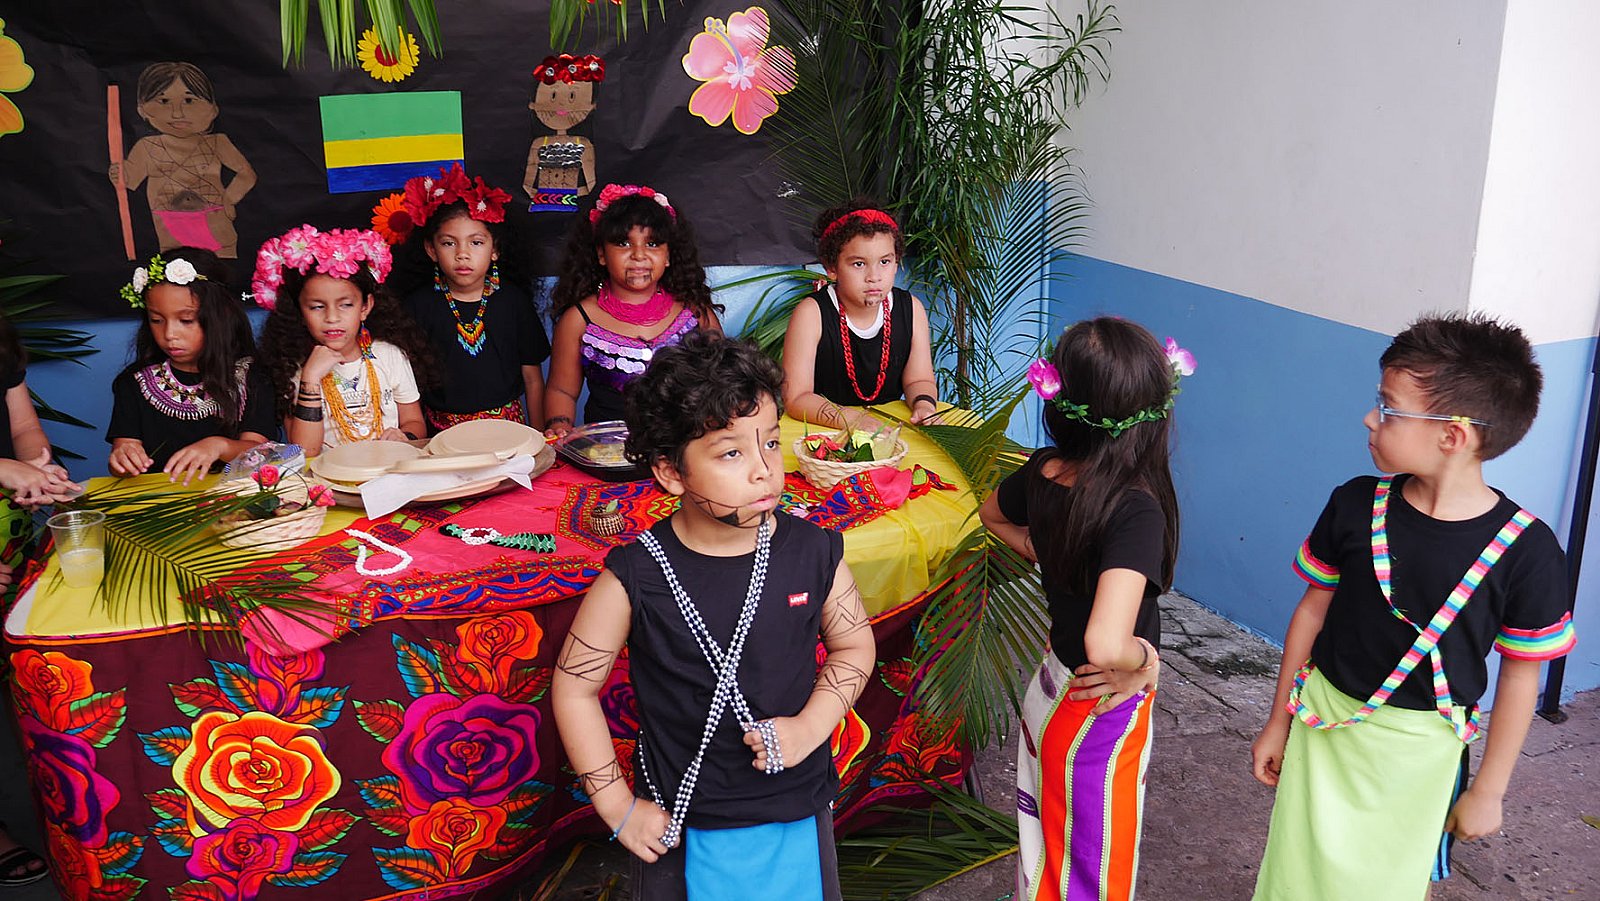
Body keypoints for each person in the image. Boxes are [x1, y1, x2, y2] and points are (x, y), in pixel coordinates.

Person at [1250, 313, 1576, 901]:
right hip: (1323, 727)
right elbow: (1311, 613)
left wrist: (1489, 791)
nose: (1370, 418)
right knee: (1294, 877)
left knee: (1390, 884)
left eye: (1389, 408)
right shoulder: (1354, 504)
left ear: (1453, 436)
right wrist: (1278, 722)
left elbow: (1521, 676)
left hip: (1421, 754)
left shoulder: (1528, 552)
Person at [551, 331, 874, 900]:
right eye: (731, 453)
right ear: (671, 472)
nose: (763, 470)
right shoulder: (636, 576)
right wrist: (617, 805)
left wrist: (809, 728)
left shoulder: (812, 551)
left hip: (796, 808)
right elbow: (574, 687)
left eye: (770, 443)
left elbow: (854, 646)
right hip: (680, 822)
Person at [979, 317, 1189, 901]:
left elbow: (991, 514)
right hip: (1101, 706)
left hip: (1051, 688)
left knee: (1045, 845)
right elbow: (1105, 643)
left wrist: (1041, 550)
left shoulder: (1044, 470)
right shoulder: (1135, 509)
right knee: (1093, 867)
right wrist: (1146, 660)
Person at [544, 184, 722, 434]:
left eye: (653, 244)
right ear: (601, 254)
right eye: (623, 243)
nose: (639, 255)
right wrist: (559, 425)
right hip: (609, 450)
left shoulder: (694, 313)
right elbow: (561, 390)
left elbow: (722, 379)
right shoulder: (579, 319)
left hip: (687, 447)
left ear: (668, 256)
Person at [390, 164, 550, 431]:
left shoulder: (513, 302)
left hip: (509, 434)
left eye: (476, 242)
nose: (462, 254)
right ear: (431, 250)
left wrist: (540, 437)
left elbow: (532, 378)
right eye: (449, 243)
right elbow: (406, 385)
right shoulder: (417, 306)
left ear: (495, 249)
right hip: (440, 436)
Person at [252, 225, 431, 454]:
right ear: (300, 312)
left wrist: (405, 437)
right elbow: (306, 450)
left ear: (365, 307)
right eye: (317, 307)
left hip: (389, 467)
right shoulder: (291, 368)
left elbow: (414, 422)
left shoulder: (389, 355)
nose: (332, 318)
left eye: (345, 305)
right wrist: (310, 379)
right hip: (326, 474)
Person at [107, 247, 277, 482]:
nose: (169, 334)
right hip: (164, 499)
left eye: (186, 320)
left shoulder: (252, 377)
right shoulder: (134, 383)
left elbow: (261, 453)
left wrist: (220, 446)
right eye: (156, 320)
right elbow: (122, 459)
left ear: (219, 317)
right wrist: (123, 458)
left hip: (235, 498)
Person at [781, 199, 939, 431]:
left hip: (889, 430)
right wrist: (852, 420)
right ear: (832, 268)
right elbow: (796, 397)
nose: (874, 276)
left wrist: (924, 406)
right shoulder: (811, 314)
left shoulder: (911, 309)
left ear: (896, 264)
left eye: (884, 261)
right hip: (825, 432)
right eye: (858, 264)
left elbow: (920, 379)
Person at [109, 61, 256, 257]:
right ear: (142, 109)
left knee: (221, 267)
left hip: (215, 222)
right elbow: (129, 180)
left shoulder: (217, 143)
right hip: (169, 229)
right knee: (174, 267)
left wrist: (228, 199)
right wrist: (119, 174)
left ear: (213, 109)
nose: (177, 113)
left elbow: (246, 174)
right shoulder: (146, 147)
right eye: (163, 101)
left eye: (189, 100)